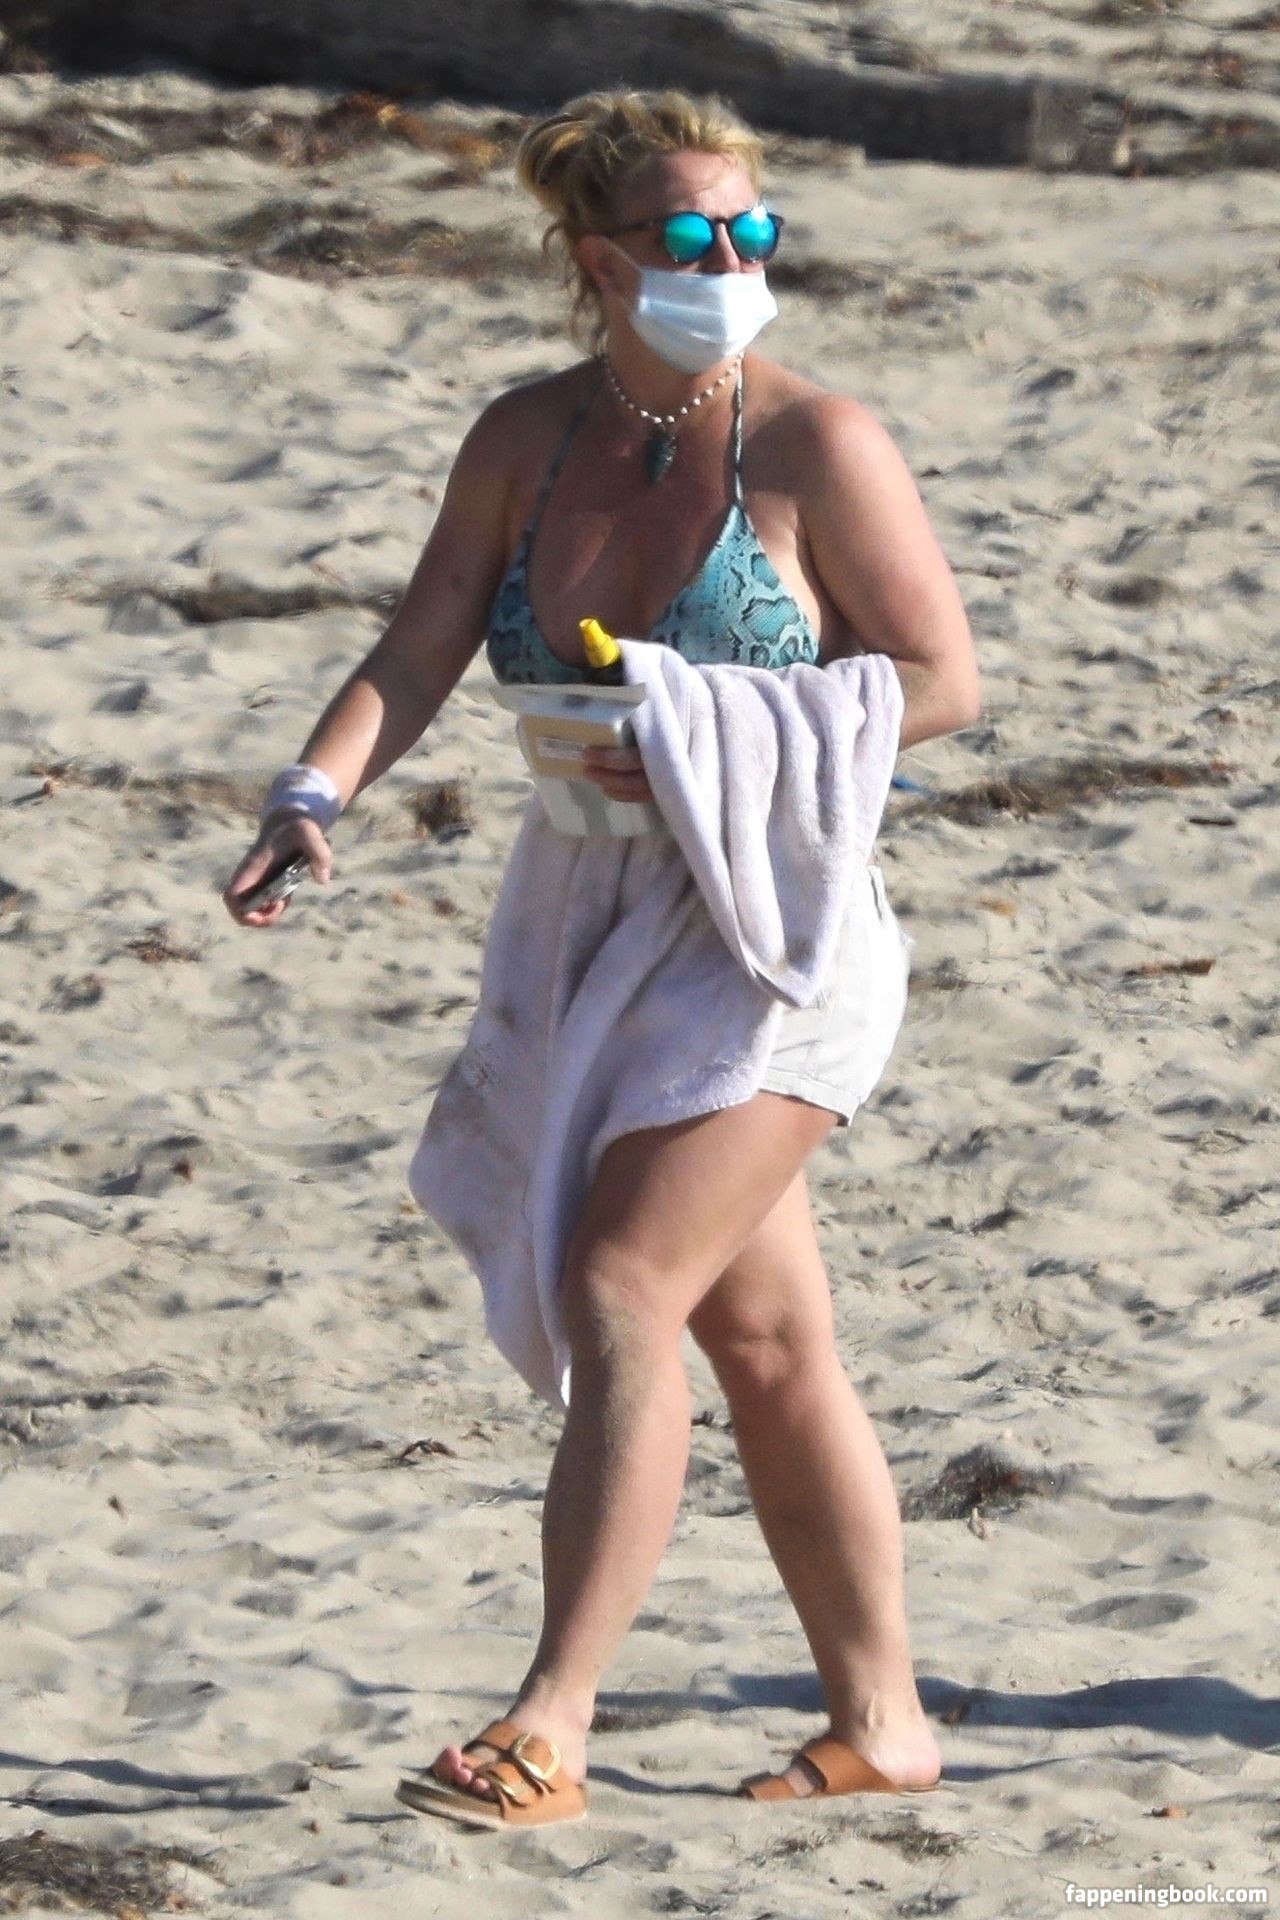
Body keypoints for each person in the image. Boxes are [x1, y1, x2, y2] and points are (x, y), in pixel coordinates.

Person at [224, 88, 980, 1828]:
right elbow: (422, 639)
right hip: (588, 919)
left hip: (772, 927)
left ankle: (548, 1721)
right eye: (694, 235)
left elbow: (944, 677)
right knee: (765, 1340)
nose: (736, 260)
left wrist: (715, 733)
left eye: (755, 229)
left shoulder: (817, 445)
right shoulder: (528, 437)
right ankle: (886, 1724)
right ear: (599, 260)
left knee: (625, 1280)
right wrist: (311, 792)